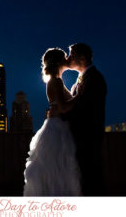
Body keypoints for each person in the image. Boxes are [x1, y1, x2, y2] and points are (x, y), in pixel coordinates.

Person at [23, 48, 82, 196]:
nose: (68, 58)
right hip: (58, 128)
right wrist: (80, 95)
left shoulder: (55, 81)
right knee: (59, 169)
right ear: (58, 62)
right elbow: (63, 108)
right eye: (64, 56)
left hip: (56, 126)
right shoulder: (56, 81)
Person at [61, 43, 107, 196]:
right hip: (79, 139)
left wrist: (59, 113)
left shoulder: (94, 78)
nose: (68, 58)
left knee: (90, 180)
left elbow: (82, 107)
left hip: (88, 139)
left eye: (71, 54)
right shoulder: (81, 80)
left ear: (82, 57)